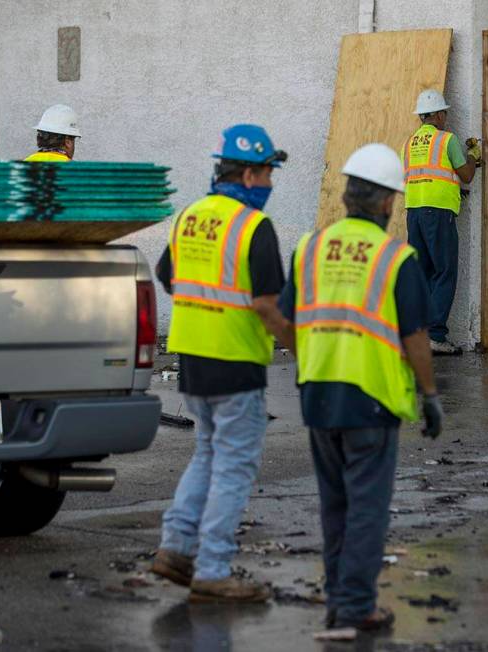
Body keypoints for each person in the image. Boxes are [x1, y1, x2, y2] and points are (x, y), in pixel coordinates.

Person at [279, 143, 444, 632]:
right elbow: (415, 336)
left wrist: (312, 353)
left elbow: (282, 321)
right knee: (367, 508)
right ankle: (355, 608)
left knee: (335, 506)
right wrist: (429, 395)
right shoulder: (396, 257)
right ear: (390, 203)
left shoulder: (309, 248)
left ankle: (338, 600)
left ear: (348, 195)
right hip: (370, 401)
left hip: (318, 397)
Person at [150, 124, 293, 603]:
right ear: (250, 174)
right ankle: (211, 569)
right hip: (235, 364)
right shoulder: (254, 227)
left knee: (208, 453)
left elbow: (167, 274)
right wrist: (307, 347)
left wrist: (203, 308)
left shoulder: (191, 216)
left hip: (193, 362)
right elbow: (267, 307)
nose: (272, 182)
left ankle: (175, 547)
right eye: (269, 172)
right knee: (233, 467)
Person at [403, 89, 481, 354]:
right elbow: (467, 175)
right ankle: (435, 335)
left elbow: (426, 176)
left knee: (422, 273)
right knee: (444, 271)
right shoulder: (446, 140)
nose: (445, 116)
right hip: (438, 213)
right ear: (436, 114)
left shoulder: (410, 143)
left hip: (414, 212)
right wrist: (474, 156)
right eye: (444, 112)